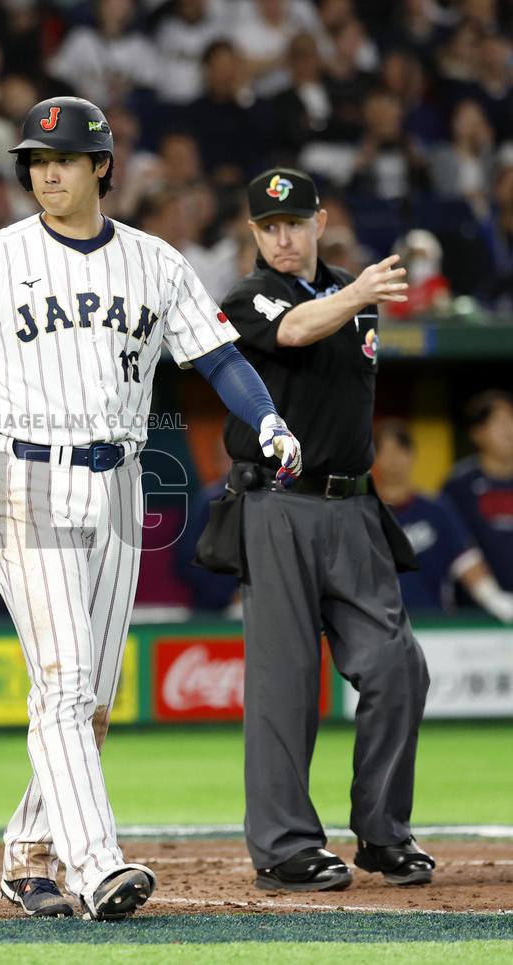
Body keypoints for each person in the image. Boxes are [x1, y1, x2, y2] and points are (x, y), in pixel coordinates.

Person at [0, 97, 302, 920]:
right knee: (62, 684)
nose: (46, 172)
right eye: (34, 160)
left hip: (118, 483)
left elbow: (219, 357)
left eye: (61, 158)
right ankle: (97, 865)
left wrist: (268, 416)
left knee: (91, 699)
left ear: (102, 166)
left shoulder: (154, 262)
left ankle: (28, 852)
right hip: (22, 480)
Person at [205, 167, 434, 893]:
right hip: (278, 504)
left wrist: (356, 295)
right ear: (253, 232)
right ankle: (283, 847)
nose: (281, 236)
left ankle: (383, 832)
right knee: (286, 682)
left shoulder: (351, 298)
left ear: (318, 221)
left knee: (398, 665)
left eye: (293, 222)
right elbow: (296, 328)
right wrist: (360, 292)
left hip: (354, 505)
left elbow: (331, 318)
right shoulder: (249, 297)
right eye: (268, 225)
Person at [373, 420, 513, 622]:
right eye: (384, 451)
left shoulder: (436, 510)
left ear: (412, 454)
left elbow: (466, 561)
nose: (393, 459)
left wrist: (495, 600)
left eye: (400, 449)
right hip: (377, 628)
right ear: (373, 458)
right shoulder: (361, 512)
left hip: (433, 626)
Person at [443, 390, 513, 593]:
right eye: (498, 421)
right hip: (475, 611)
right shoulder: (459, 485)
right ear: (477, 433)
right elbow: (451, 545)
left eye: (511, 418)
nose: (508, 428)